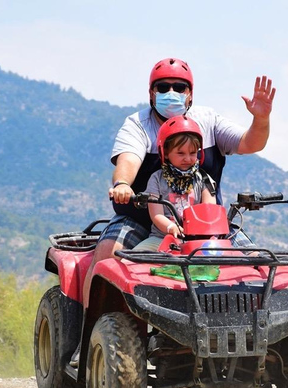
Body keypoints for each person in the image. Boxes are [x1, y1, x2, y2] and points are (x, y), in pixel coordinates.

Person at [86, 57, 275, 282]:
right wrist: (123, 184)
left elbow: (250, 143)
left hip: (205, 227)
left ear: (190, 93)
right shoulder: (137, 125)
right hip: (143, 220)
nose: (171, 92)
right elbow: (128, 160)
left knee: (258, 264)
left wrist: (261, 119)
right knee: (109, 256)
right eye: (163, 87)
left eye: (179, 87)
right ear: (151, 93)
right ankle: (97, 315)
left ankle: (254, 312)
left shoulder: (207, 120)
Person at [133, 115, 215, 252]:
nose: (188, 158)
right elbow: (157, 215)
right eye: (180, 153)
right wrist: (171, 228)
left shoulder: (204, 179)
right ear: (165, 153)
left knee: (225, 263)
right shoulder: (157, 179)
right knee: (130, 263)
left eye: (193, 152)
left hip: (197, 242)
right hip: (161, 238)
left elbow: (209, 210)